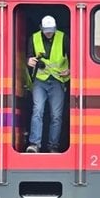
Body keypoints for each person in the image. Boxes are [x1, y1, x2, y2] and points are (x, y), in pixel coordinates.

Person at [26, 15, 70, 153]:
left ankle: (53, 146)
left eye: (51, 30)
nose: (49, 33)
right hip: (40, 80)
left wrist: (71, 70)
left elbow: (75, 56)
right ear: (41, 28)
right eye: (47, 30)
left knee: (56, 115)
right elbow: (28, 57)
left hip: (58, 80)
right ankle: (34, 144)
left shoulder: (63, 38)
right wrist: (30, 61)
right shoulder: (33, 38)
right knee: (37, 110)